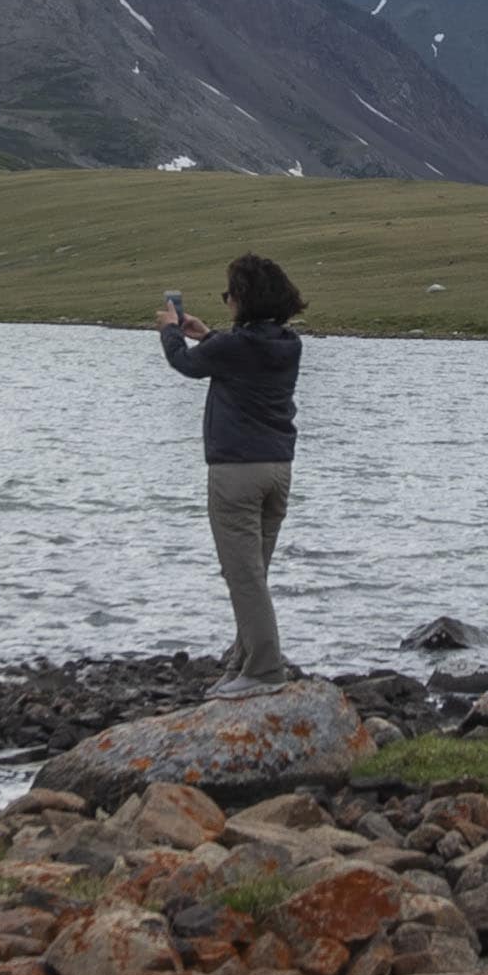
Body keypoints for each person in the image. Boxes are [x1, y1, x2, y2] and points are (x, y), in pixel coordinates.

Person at [158, 254, 309, 680]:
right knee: (254, 573)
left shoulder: (235, 347)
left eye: (230, 295)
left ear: (245, 299)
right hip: (279, 468)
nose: (227, 302)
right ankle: (243, 660)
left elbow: (185, 364)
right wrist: (207, 336)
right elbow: (238, 357)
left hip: (236, 472)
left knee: (243, 577)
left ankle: (263, 669)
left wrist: (171, 331)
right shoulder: (287, 344)